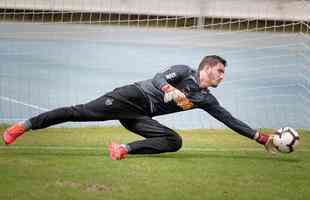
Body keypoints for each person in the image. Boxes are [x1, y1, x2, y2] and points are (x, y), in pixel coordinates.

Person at [2, 55, 278, 160]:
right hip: (129, 97)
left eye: (223, 73)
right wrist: (169, 89)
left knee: (173, 141)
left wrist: (261, 137)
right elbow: (159, 78)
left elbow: (229, 120)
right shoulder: (183, 71)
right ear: (206, 68)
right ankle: (22, 127)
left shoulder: (207, 99)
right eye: (219, 71)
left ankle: (122, 149)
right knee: (78, 112)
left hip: (140, 115)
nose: (222, 76)